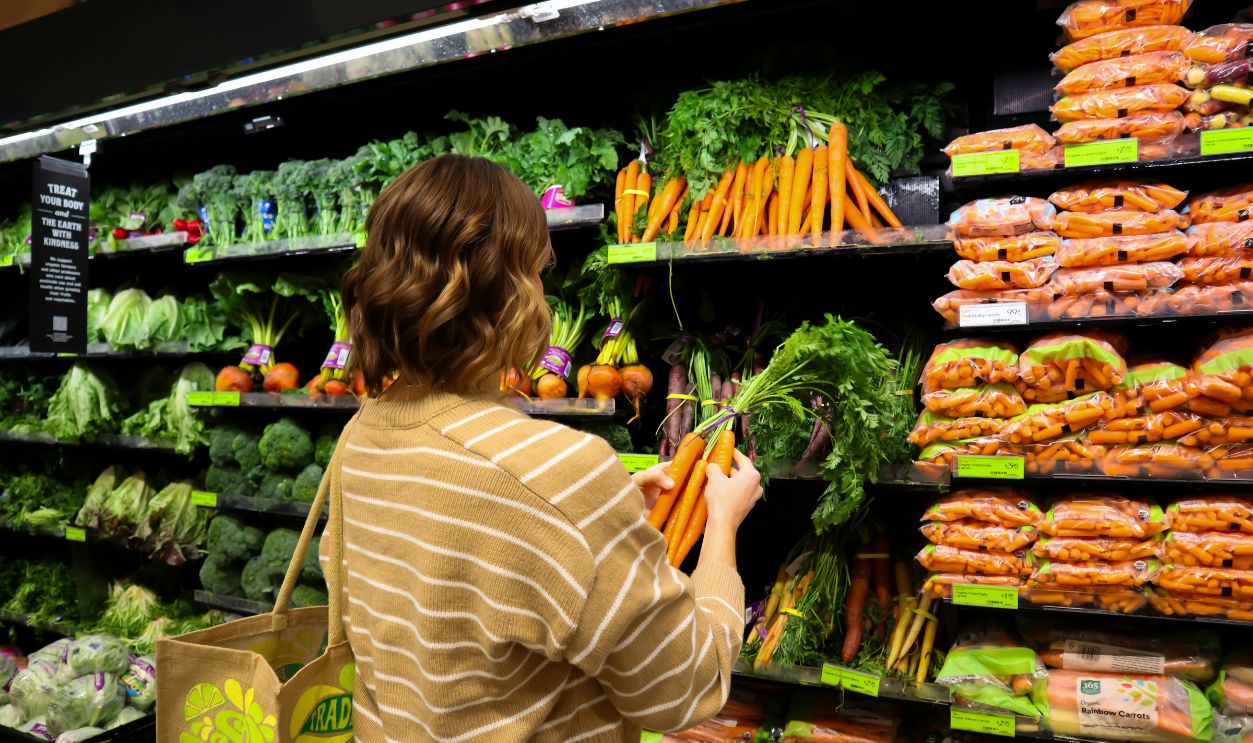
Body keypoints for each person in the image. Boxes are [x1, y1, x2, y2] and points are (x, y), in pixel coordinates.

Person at [324, 153, 763, 742]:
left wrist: (584, 515)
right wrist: (722, 530)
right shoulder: (557, 473)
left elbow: (432, 581)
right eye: (537, 269)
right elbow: (685, 691)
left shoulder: (363, 434)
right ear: (512, 288)